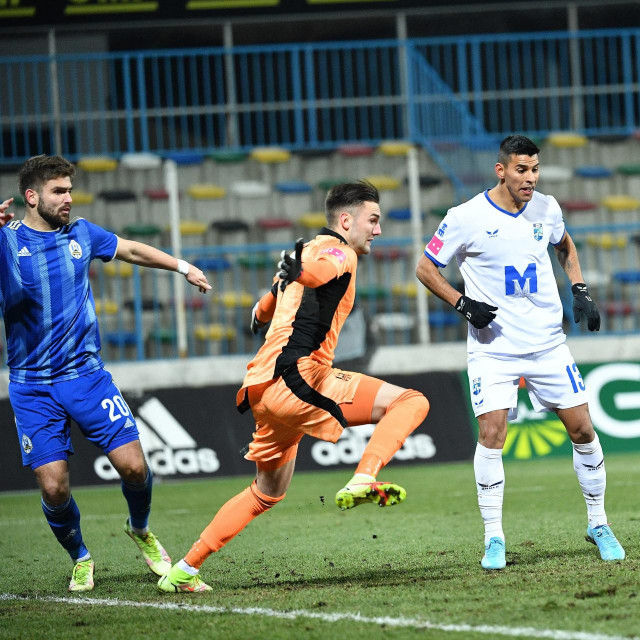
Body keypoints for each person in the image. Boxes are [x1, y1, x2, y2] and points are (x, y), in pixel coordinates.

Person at [158, 180, 430, 593]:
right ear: (346, 220)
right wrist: (303, 273)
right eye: (372, 220)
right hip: (298, 377)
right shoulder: (338, 252)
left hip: (261, 388)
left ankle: (184, 570)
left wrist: (267, 305)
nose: (377, 230)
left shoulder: (303, 252)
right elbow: (322, 272)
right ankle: (364, 477)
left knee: (266, 492)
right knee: (411, 401)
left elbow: (264, 304)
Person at [0, 154, 211, 592]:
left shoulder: (81, 233)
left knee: (134, 467)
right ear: (32, 196)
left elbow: (131, 248)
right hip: (32, 386)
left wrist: (183, 267)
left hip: (87, 375)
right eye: (58, 191)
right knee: (54, 489)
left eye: (70, 190)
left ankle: (140, 529)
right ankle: (80, 556)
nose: (68, 199)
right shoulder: (5, 240)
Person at [416, 134, 625, 570]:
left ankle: (598, 523)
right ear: (501, 170)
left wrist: (580, 289)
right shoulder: (465, 216)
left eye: (534, 169)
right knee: (492, 433)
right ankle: (494, 538)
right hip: (494, 348)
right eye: (521, 170)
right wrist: (461, 302)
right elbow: (425, 267)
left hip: (548, 343)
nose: (529, 178)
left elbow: (564, 245)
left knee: (584, 429)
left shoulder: (546, 207)